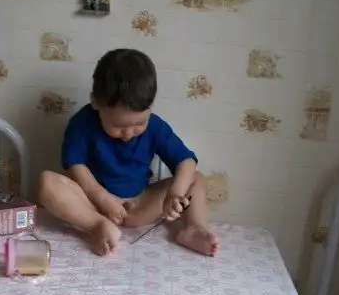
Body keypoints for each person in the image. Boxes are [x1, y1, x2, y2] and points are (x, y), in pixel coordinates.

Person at [39, 48, 219, 257]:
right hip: (94, 205)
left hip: (139, 204)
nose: (129, 133)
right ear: (96, 102)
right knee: (47, 182)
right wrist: (101, 197)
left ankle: (194, 228)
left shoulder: (155, 126)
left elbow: (185, 161)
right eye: (118, 126)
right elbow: (74, 165)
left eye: (140, 123)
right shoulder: (82, 124)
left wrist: (175, 193)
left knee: (196, 178)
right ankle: (98, 226)